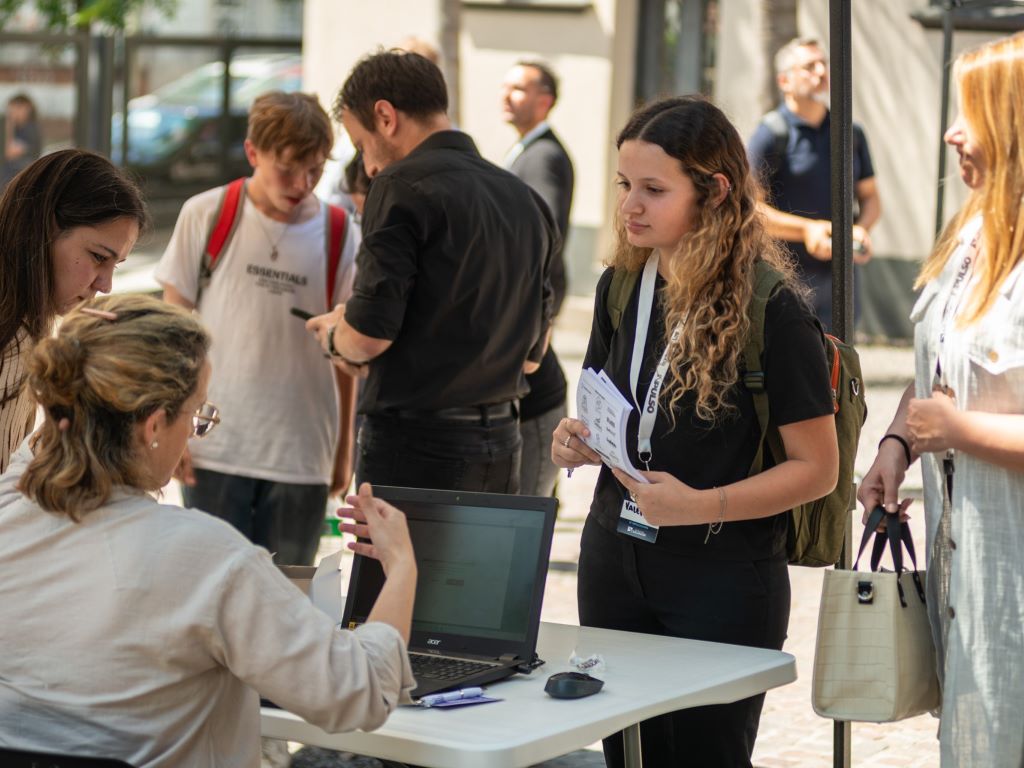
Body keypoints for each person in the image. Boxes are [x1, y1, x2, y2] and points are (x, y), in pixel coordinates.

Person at [0, 294, 415, 766]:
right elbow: (361, 692)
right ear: (153, 425)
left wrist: (88, 349)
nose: (195, 432)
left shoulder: (8, 511)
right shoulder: (205, 556)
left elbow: (44, 441)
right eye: (197, 415)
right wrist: (400, 563)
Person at [551, 96, 838, 767]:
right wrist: (577, 437)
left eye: (654, 189)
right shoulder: (621, 285)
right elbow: (605, 403)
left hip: (722, 580)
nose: (630, 207)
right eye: (625, 186)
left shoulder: (773, 308)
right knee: (629, 756)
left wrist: (699, 507)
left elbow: (817, 470)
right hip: (614, 560)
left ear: (713, 193)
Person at [858, 33, 1024, 766]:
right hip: (966, 574)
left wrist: (956, 428)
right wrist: (897, 441)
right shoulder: (970, 232)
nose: (952, 132)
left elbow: (955, 408)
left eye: (970, 113)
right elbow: (938, 365)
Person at [306, 50, 556, 494]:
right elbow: (533, 355)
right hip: (501, 443)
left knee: (396, 565)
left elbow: (367, 337)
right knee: (478, 568)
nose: (367, 166)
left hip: (415, 446)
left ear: (385, 116)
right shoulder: (523, 198)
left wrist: (332, 332)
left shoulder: (398, 186)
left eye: (361, 144)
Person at [156, 90, 359, 565]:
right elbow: (171, 335)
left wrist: (343, 447)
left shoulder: (339, 232)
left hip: (302, 451)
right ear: (253, 153)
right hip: (215, 447)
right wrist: (171, 429)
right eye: (287, 169)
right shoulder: (207, 214)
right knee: (210, 595)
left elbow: (346, 354)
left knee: (286, 599)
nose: (301, 184)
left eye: (314, 171)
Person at [0, 149, 145, 474]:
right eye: (97, 257)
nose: (105, 285)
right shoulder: (14, 339)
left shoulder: (33, 323)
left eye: (115, 266)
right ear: (45, 229)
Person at [747, 37, 881, 332]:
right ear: (784, 81)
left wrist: (861, 229)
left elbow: (871, 198)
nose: (821, 72)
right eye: (809, 66)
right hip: (785, 276)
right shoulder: (769, 135)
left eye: (824, 64)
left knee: (837, 367)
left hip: (842, 279)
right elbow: (750, 210)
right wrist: (807, 230)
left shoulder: (851, 133)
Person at [501, 60, 574, 497]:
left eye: (518, 88)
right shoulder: (526, 148)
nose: (506, 94)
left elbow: (544, 233)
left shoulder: (544, 155)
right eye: (506, 86)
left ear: (544, 100)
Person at [1, 93, 41, 189]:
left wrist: (9, 125)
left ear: (27, 108)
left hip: (21, 175)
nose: (12, 112)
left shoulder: (30, 129)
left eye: (17, 108)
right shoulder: (19, 129)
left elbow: (9, 152)